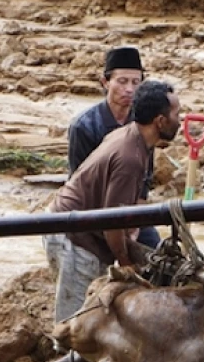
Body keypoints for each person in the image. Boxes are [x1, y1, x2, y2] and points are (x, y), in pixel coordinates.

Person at [45, 80, 181, 322]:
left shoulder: (134, 138)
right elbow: (111, 221)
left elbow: (124, 207)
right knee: (75, 322)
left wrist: (133, 229)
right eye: (176, 114)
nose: (180, 120)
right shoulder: (130, 158)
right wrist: (126, 262)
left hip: (76, 226)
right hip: (74, 236)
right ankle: (66, 357)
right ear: (160, 121)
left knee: (91, 317)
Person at [67, 46, 160, 248]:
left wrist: (136, 219)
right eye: (122, 81)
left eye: (136, 82)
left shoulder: (143, 122)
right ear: (105, 83)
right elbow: (79, 178)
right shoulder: (84, 126)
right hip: (92, 211)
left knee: (156, 251)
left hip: (130, 208)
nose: (129, 89)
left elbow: (146, 177)